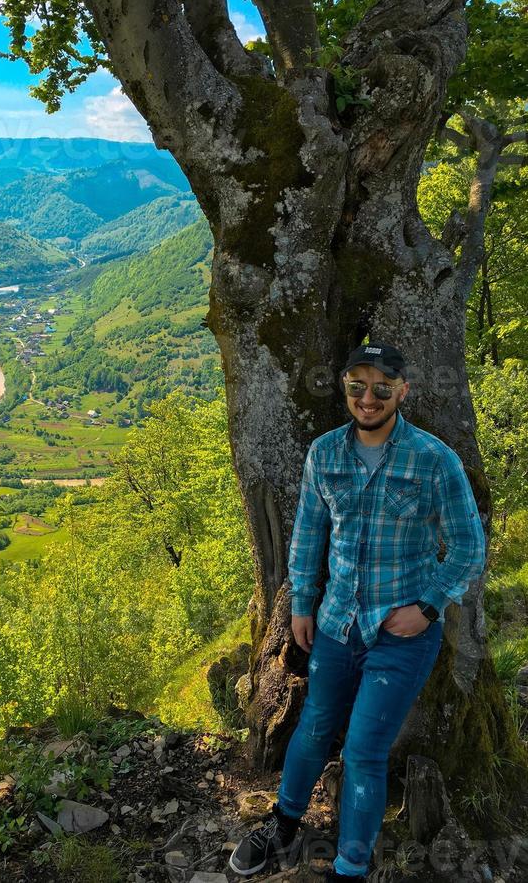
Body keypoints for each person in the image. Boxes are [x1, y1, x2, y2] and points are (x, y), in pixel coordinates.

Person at [229, 341, 486, 880]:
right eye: (356, 387)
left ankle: (349, 868)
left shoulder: (433, 459)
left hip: (402, 634)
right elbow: (307, 536)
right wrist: (302, 604)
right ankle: (281, 827)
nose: (367, 399)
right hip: (335, 624)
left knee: (365, 751)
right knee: (314, 726)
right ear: (344, 388)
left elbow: (468, 548)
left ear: (402, 392)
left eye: (381, 388)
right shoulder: (324, 453)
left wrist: (430, 606)